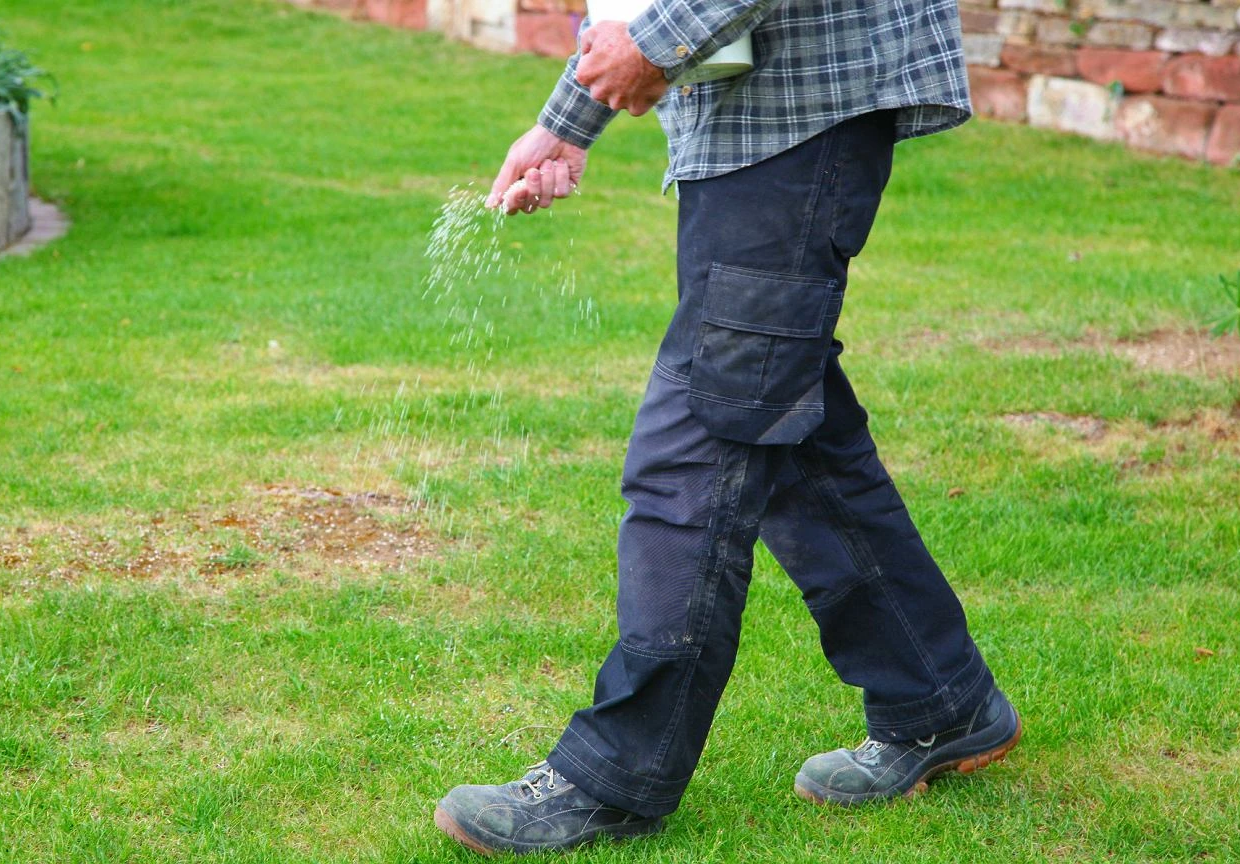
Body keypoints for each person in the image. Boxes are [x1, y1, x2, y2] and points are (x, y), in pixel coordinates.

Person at [434, 0, 1021, 853]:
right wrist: (569, 120)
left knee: (698, 448)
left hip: (800, 106)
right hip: (752, 116)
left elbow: (656, 25)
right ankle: (938, 699)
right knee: (784, 424)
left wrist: (657, 46)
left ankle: (617, 771)